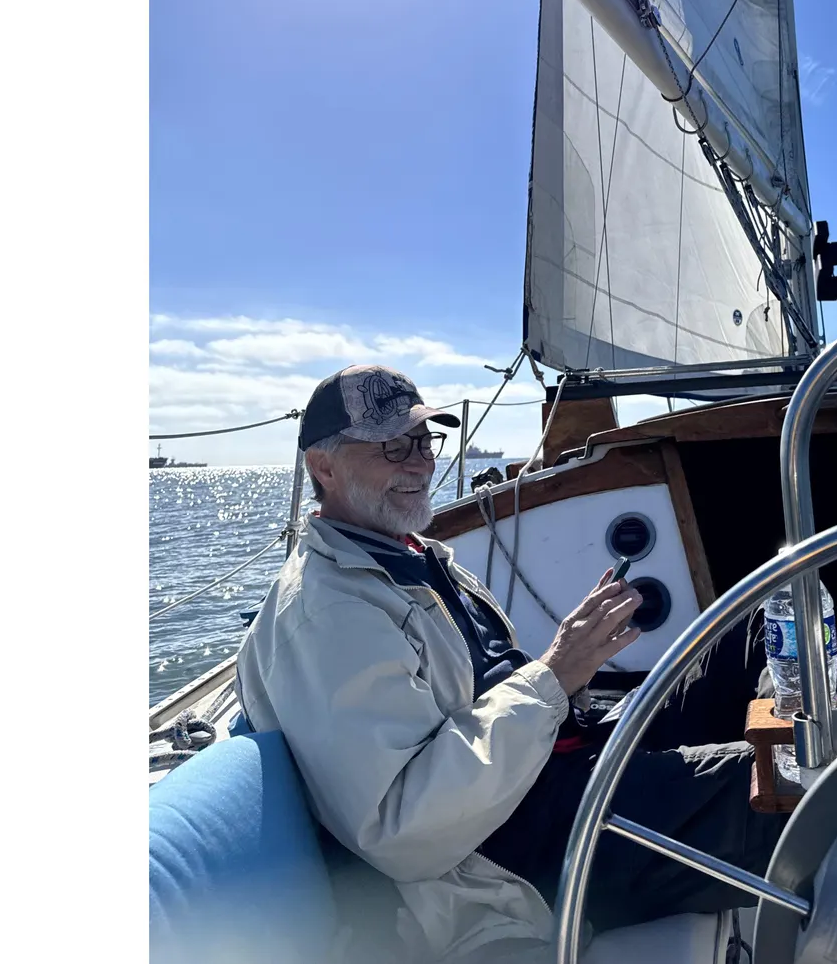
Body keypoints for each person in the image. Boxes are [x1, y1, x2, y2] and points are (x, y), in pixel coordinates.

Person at [235, 365, 781, 963]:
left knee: (756, 623)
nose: (419, 462)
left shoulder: (410, 557)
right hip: (519, 853)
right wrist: (552, 677)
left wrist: (566, 678)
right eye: (392, 445)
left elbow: (486, 691)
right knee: (782, 790)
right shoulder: (327, 615)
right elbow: (402, 826)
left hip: (551, 762)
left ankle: (802, 731)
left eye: (424, 440)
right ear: (324, 467)